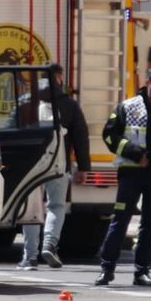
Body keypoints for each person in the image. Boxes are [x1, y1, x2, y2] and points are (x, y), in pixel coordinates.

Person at [96, 65, 151, 286]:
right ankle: (107, 268)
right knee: (120, 220)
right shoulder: (129, 107)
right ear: (148, 83)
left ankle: (141, 271)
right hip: (132, 172)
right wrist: (135, 154)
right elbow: (109, 135)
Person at [37, 67, 90, 268]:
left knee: (31, 209)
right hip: (58, 164)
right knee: (56, 206)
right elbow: (81, 137)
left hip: (31, 165)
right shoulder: (69, 104)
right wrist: (83, 167)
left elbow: (10, 124)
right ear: (59, 77)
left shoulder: (26, 101)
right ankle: (49, 244)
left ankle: (29, 253)